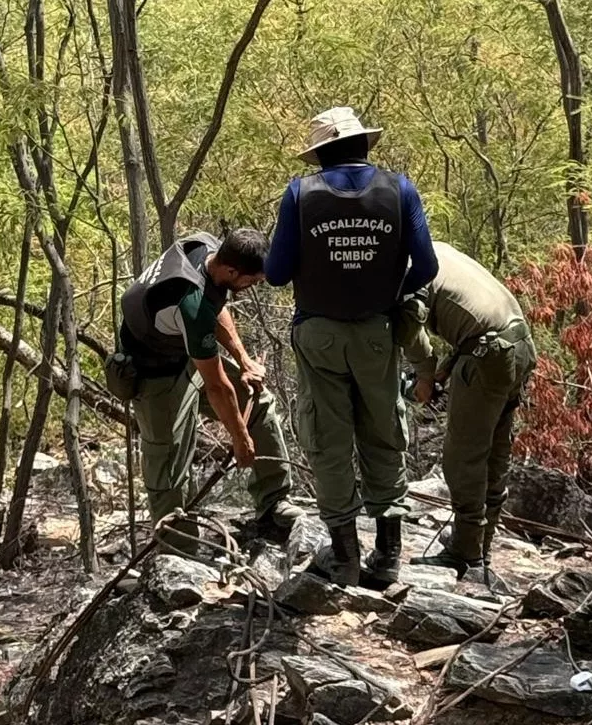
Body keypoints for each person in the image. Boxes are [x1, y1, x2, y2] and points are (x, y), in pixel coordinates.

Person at [266, 106, 438, 586]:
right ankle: (387, 555)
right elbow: (425, 267)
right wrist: (387, 291)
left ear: (321, 153)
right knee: (383, 431)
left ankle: (344, 556)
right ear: (364, 145)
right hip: (377, 333)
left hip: (318, 333)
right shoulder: (400, 190)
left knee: (329, 438)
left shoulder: (300, 194)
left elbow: (277, 273)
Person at [119, 229, 304, 551]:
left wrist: (244, 361)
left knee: (257, 402)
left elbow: (216, 306)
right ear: (232, 271)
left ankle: (273, 501)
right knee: (168, 464)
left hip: (185, 353)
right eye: (254, 280)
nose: (255, 286)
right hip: (155, 378)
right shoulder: (188, 302)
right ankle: (177, 551)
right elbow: (218, 388)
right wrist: (240, 437)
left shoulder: (207, 248)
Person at [401, 241, 537, 577]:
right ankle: (480, 545)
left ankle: (466, 553)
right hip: (518, 346)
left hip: (488, 355)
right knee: (494, 453)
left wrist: (426, 375)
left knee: (463, 457)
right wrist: (447, 369)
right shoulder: (437, 249)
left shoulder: (407, 267)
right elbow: (471, 318)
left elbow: (407, 327)